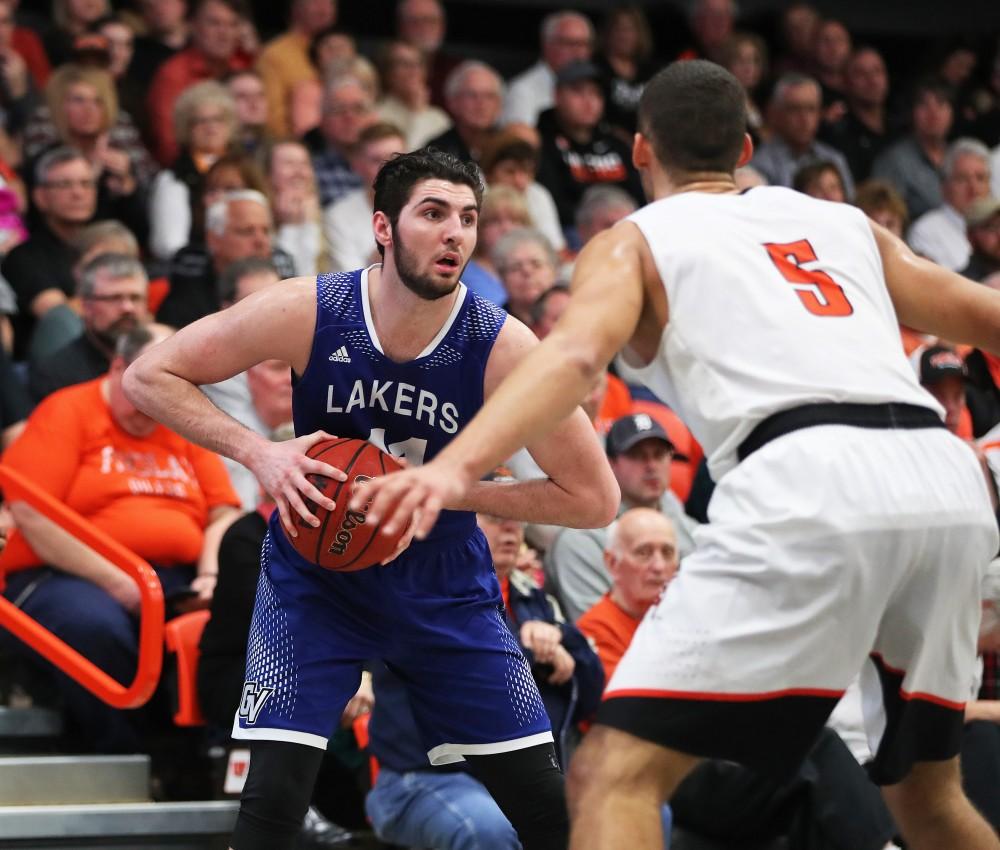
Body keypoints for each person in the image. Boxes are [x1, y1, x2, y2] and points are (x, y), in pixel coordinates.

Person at [356, 60, 1000, 850]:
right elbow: (983, 313)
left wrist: (453, 465)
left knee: (612, 778)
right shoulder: (840, 222)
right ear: (747, 147)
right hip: (944, 478)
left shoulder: (634, 239)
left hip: (810, 475)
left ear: (638, 150)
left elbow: (573, 358)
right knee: (930, 801)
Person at [122, 147, 619, 850]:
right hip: (316, 577)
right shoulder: (310, 310)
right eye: (434, 213)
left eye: (469, 219)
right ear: (383, 227)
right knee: (270, 807)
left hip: (442, 580)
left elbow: (595, 499)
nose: (455, 233)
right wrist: (260, 452)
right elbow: (149, 374)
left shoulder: (504, 347)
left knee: (547, 810)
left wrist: (446, 488)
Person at [0, 323, 241, 754]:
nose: (159, 401)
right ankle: (127, 757)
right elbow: (31, 513)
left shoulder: (183, 415)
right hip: (65, 574)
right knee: (98, 628)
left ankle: (212, 760)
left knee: (238, 617)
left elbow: (222, 511)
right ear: (118, 367)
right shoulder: (68, 410)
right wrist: (119, 582)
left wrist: (210, 575)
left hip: (172, 576)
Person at [545, 413, 698, 622]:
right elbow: (595, 631)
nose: (651, 465)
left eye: (660, 454)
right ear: (610, 464)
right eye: (637, 455)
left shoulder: (688, 527)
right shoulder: (581, 539)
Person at [28, 252, 149, 402]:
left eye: (135, 298)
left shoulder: (161, 362)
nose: (127, 307)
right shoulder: (55, 374)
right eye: (114, 298)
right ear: (86, 306)